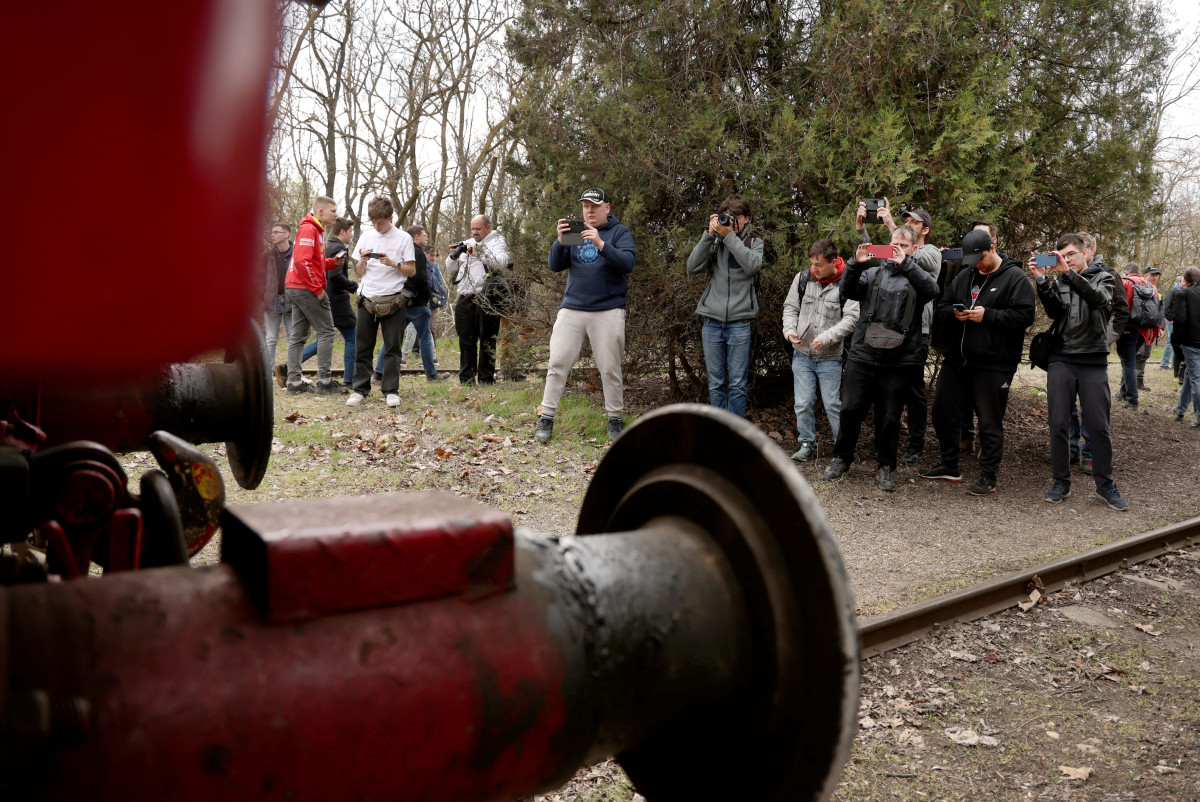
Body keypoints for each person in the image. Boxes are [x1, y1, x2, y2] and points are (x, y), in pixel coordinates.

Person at [820, 225, 938, 491]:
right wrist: (855, 264)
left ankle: (886, 466)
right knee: (850, 409)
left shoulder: (918, 276)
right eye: (894, 244)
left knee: (889, 417)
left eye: (903, 246)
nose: (897, 250)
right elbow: (847, 291)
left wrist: (906, 264)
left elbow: (932, 291)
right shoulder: (872, 272)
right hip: (864, 353)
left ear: (914, 249)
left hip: (900, 359)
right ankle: (842, 458)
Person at [920, 230, 1034, 494]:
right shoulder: (966, 275)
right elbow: (943, 306)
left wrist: (988, 316)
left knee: (989, 420)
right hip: (957, 360)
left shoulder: (1015, 278)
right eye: (972, 260)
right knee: (942, 412)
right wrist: (955, 313)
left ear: (992, 248)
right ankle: (950, 465)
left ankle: (988, 475)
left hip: (993, 363)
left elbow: (1024, 316)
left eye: (980, 258)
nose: (977, 264)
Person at [1029, 234, 1128, 511]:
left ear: (1086, 253)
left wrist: (1069, 273)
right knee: (1059, 423)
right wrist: (1041, 281)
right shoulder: (1061, 281)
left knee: (1098, 425)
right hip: (1061, 358)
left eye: (1071, 254)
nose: (1067, 259)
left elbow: (1098, 299)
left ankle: (1105, 485)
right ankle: (1061, 482)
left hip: (1093, 360)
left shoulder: (1104, 277)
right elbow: (1054, 312)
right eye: (1062, 255)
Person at [535, 187, 636, 444]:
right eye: (585, 206)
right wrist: (559, 241)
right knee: (557, 363)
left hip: (608, 309)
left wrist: (600, 243)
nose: (589, 210)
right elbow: (555, 265)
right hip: (573, 308)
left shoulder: (619, 232)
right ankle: (546, 417)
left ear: (607, 208)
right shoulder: (576, 231)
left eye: (594, 206)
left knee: (610, 368)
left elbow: (627, 264)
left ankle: (615, 418)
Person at [856, 200, 940, 466]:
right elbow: (872, 254)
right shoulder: (897, 248)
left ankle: (916, 446)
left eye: (914, 222)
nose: (908, 224)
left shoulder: (931, 252)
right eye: (906, 221)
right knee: (882, 392)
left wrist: (892, 226)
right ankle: (883, 445)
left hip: (916, 332)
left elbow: (909, 256)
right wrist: (861, 229)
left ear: (925, 230)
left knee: (913, 392)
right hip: (887, 332)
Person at [686, 195, 764, 417]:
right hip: (712, 321)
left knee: (738, 384)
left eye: (737, 216)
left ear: (747, 219)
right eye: (728, 216)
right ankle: (719, 429)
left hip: (739, 323)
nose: (731, 221)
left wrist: (730, 237)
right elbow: (692, 267)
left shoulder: (754, 243)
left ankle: (734, 431)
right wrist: (709, 235)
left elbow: (752, 266)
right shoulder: (716, 242)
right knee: (715, 382)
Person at [782, 239, 860, 461]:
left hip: (830, 358)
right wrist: (789, 331)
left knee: (833, 404)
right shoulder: (803, 279)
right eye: (812, 263)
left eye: (819, 264)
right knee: (803, 402)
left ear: (833, 262)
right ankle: (806, 444)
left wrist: (826, 338)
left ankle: (844, 449)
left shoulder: (847, 282)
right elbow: (790, 308)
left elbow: (851, 318)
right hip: (802, 354)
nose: (814, 269)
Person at [346, 196, 416, 408]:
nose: (377, 226)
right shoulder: (366, 236)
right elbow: (359, 271)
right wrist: (363, 261)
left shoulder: (404, 238)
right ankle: (360, 390)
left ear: (390, 218)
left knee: (393, 347)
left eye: (381, 222)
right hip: (367, 297)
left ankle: (391, 391)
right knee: (363, 346)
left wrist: (393, 264)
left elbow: (411, 271)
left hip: (393, 298)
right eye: (374, 222)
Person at [284, 196, 342, 395]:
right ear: (321, 211)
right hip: (305, 288)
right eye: (333, 211)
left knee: (298, 336)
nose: (336, 215)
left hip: (295, 287)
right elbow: (302, 262)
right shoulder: (309, 229)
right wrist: (317, 289)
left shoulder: (316, 229)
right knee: (326, 332)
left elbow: (313, 261)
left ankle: (294, 383)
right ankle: (324, 382)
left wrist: (332, 262)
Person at [448, 215, 509, 385]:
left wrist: (479, 253)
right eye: (472, 229)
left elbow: (502, 262)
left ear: (488, 227)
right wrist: (454, 253)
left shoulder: (498, 241)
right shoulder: (468, 242)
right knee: (465, 339)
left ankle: (485, 379)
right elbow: (450, 266)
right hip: (465, 296)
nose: (475, 232)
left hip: (487, 297)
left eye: (478, 229)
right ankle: (466, 379)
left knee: (487, 339)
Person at [299, 217, 356, 386]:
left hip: (325, 296)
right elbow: (335, 275)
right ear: (343, 231)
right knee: (352, 337)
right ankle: (349, 379)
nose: (352, 235)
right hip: (337, 299)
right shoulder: (339, 248)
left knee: (323, 338)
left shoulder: (326, 245)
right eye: (350, 231)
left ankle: (287, 366)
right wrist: (353, 286)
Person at [400, 225, 447, 382]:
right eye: (424, 235)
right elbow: (420, 278)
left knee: (394, 337)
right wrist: (423, 297)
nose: (426, 237)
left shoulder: (404, 251)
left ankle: (379, 372)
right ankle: (431, 374)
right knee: (425, 337)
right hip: (416, 304)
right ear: (416, 237)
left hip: (404, 301)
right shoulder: (417, 253)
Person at [1114, 262, 1157, 410]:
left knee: (1128, 363)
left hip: (1127, 328)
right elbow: (1157, 309)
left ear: (1126, 272)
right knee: (1129, 360)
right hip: (1144, 330)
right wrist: (1154, 332)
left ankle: (1132, 399)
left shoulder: (1124, 282)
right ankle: (1123, 392)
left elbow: (1119, 306)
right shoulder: (1150, 286)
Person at [1170, 266, 1200, 426]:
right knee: (1190, 373)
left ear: (1186, 280)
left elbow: (1179, 320)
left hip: (1191, 342)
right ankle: (1180, 409)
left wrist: (1177, 340)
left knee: (1196, 378)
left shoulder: (1184, 294)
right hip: (1194, 342)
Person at [263, 222, 293, 378]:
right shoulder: (266, 256)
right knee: (270, 339)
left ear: (286, 234)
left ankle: (292, 372)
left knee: (293, 339)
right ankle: (268, 373)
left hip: (292, 302)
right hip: (272, 302)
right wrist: (264, 295)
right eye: (272, 232)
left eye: (276, 232)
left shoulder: (297, 254)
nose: (272, 235)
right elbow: (256, 279)